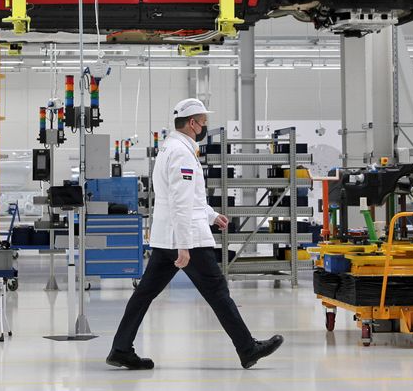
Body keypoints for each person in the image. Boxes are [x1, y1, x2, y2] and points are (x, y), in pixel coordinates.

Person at [106, 98, 283, 370]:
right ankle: (248, 349)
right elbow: (181, 201)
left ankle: (120, 349)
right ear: (192, 123)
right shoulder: (181, 153)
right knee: (218, 292)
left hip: (168, 238)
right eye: (203, 122)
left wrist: (212, 215)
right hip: (186, 239)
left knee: (144, 294)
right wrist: (185, 246)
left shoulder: (171, 148)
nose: (204, 127)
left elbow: (188, 197)